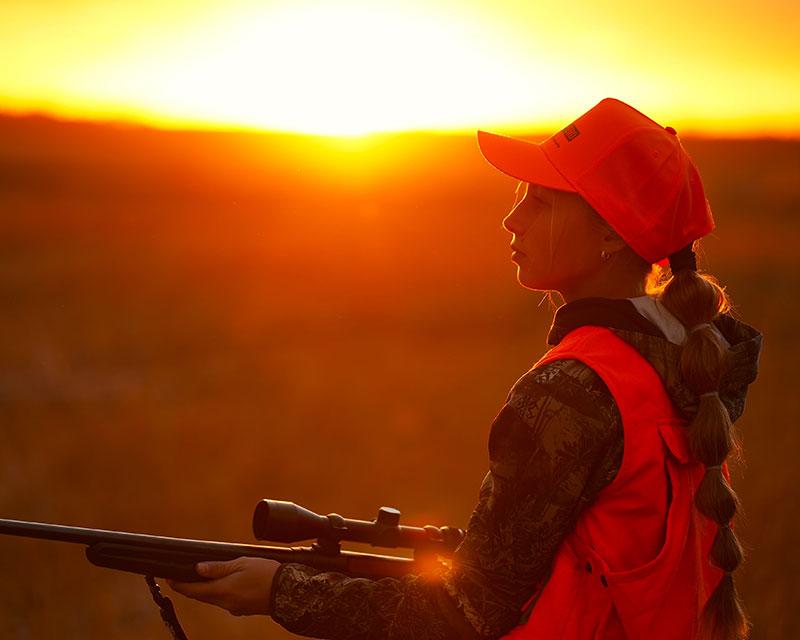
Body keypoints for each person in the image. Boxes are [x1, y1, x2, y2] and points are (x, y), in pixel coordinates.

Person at [167, 98, 762, 639]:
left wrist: (279, 591)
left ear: (609, 233)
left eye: (541, 201)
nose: (513, 220)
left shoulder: (573, 391)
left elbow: (466, 616)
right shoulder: (684, 361)